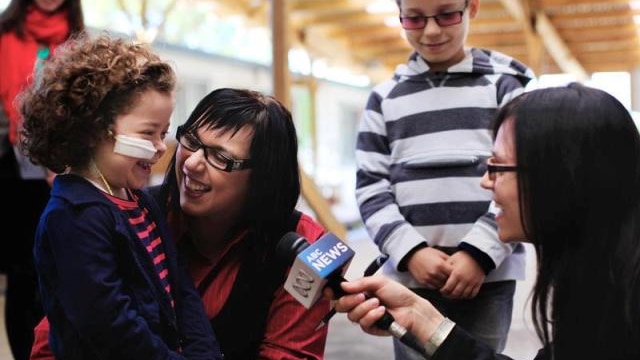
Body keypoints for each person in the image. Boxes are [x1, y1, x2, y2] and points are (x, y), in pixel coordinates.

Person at [332, 83, 640, 360]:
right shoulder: (596, 275)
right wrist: (421, 319)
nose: (485, 182)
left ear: (559, 175)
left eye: (498, 167)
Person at [30, 87, 331, 360]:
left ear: (263, 178)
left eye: (221, 157)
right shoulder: (127, 212)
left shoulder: (309, 246)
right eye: (191, 140)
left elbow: (289, 354)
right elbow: (64, 328)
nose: (191, 163)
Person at [18, 34, 222, 359]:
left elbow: (180, 290)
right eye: (147, 133)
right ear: (96, 129)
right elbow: (109, 327)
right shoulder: (73, 217)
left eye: (164, 133)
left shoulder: (141, 202)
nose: (159, 147)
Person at [354, 0, 535, 357]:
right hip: (410, 281)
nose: (432, 30)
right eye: (415, 18)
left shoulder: (505, 87)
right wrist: (411, 251)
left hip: (488, 278)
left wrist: (479, 254)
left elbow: (524, 178)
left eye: (447, 14)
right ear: (400, 16)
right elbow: (371, 187)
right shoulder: (384, 98)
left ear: (473, 8)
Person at [0, 1, 84, 358]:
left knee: (55, 269)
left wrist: (64, 156)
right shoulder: (4, 34)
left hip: (61, 170)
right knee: (21, 275)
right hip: (10, 172)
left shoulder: (78, 39)